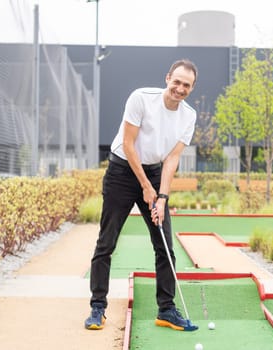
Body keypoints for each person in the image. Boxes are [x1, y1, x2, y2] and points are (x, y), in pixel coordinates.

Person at [84, 59, 198, 331]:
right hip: (122, 172)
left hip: (156, 174)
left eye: (187, 85)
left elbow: (172, 159)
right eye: (177, 81)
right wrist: (146, 187)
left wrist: (162, 197)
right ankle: (97, 307)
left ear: (191, 88)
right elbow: (128, 144)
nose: (180, 88)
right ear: (167, 77)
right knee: (106, 242)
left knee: (164, 246)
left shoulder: (189, 116)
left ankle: (167, 310)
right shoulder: (141, 98)